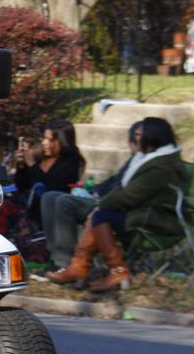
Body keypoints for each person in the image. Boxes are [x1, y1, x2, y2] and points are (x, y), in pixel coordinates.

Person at [48, 117, 186, 291]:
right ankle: (84, 267)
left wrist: (101, 205)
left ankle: (108, 270)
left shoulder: (161, 166)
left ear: (152, 136)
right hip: (145, 213)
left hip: (159, 221)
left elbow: (130, 196)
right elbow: (124, 190)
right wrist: (101, 204)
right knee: (100, 216)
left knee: (100, 216)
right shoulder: (154, 159)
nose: (135, 138)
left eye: (139, 134)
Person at [40, 121, 143, 270]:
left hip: (113, 205)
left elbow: (125, 191)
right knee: (49, 197)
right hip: (103, 197)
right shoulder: (135, 160)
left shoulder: (147, 164)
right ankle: (55, 256)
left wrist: (101, 197)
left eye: (138, 137)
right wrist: (95, 190)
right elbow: (114, 180)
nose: (132, 142)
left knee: (64, 200)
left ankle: (66, 262)